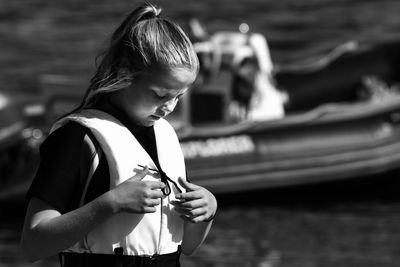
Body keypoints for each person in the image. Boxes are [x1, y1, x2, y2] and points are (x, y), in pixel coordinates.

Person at [20, 2, 217, 267]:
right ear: (124, 74)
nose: (169, 107)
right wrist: (110, 203)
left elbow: (189, 246)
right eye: (160, 94)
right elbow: (33, 244)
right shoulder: (77, 137)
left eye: (179, 97)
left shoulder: (165, 135)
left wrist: (208, 211)